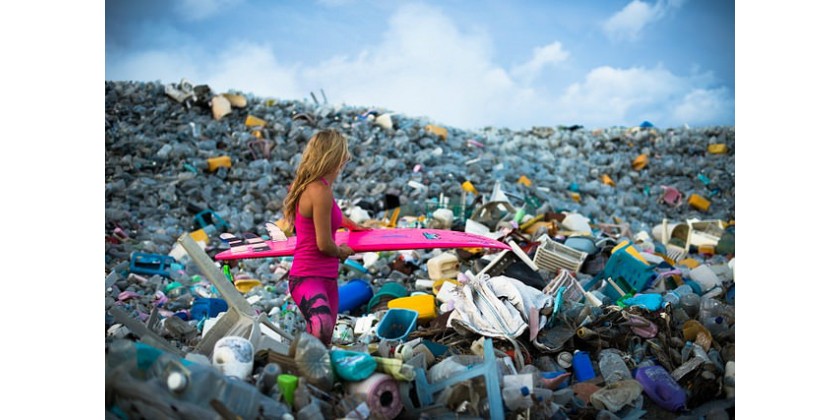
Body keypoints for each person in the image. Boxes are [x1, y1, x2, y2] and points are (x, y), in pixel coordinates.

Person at [282, 129, 364, 346]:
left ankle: (305, 375)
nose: (346, 161)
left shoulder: (321, 188)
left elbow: (329, 214)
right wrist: (342, 251)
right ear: (335, 158)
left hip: (327, 279)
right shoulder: (319, 190)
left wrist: (352, 225)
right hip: (307, 276)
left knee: (322, 339)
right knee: (323, 326)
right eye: (345, 156)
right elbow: (324, 244)